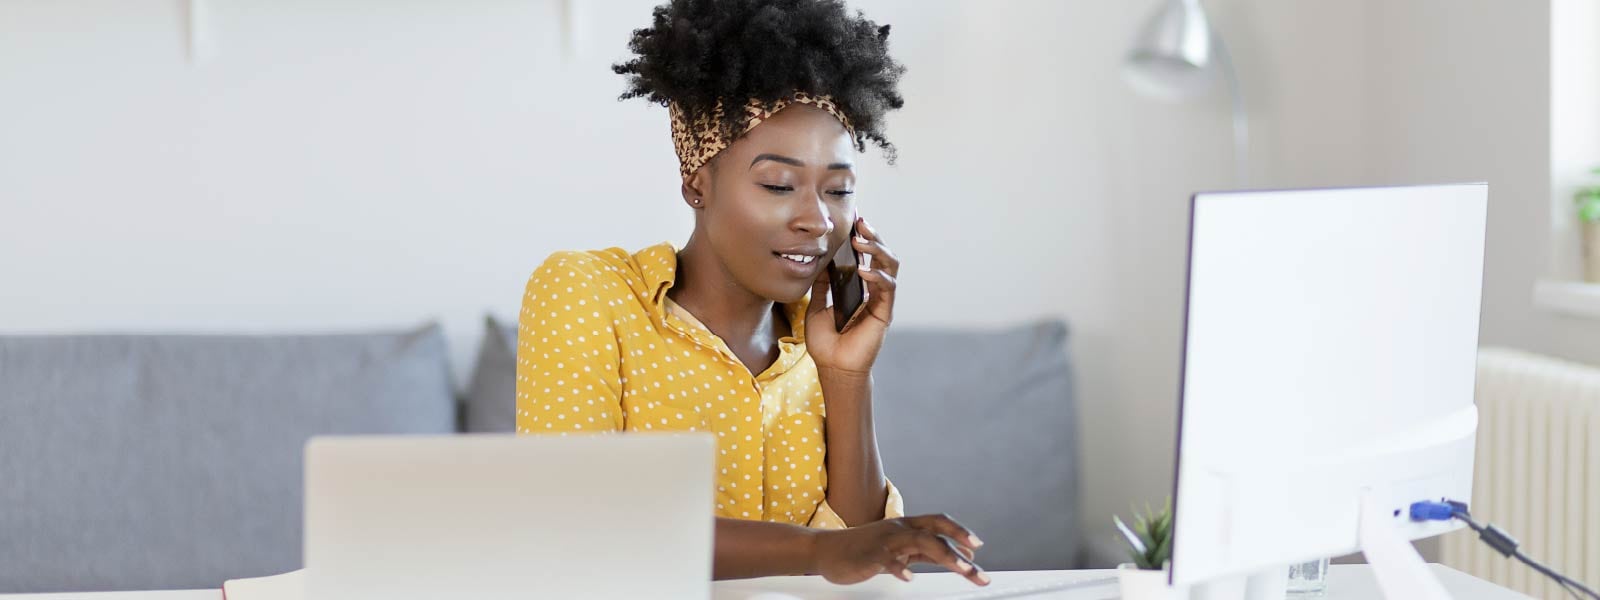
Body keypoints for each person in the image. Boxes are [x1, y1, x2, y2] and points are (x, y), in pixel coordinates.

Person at [515, 0, 987, 586]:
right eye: (778, 184)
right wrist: (815, 552)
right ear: (697, 183)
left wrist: (847, 377)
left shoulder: (818, 338)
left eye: (838, 190)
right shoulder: (589, 293)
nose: (817, 220)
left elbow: (857, 555)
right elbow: (580, 523)